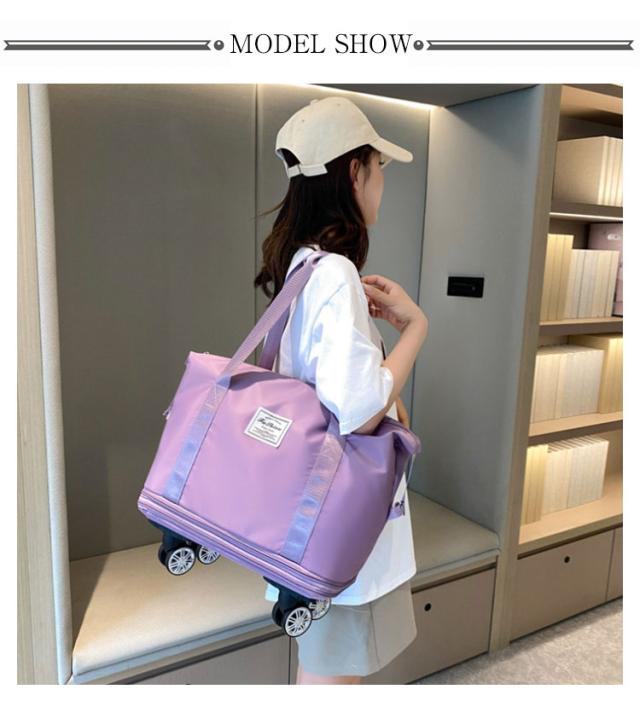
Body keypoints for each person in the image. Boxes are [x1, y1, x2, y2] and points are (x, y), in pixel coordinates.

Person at [253, 96, 429, 684]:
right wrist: (415, 329)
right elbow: (360, 411)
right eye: (378, 167)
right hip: (340, 517)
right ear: (355, 171)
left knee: (324, 666)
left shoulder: (302, 266)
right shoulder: (335, 273)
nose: (381, 182)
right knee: (336, 676)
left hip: (308, 508)